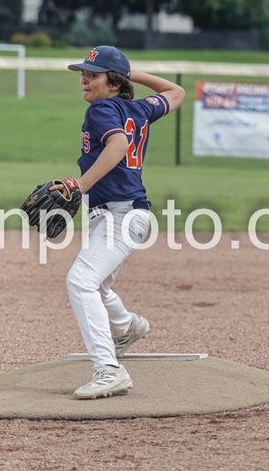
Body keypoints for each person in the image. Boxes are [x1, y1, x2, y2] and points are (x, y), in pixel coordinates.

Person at [58, 46, 185, 399]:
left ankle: (109, 369)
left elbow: (117, 145)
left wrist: (80, 185)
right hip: (124, 215)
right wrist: (132, 75)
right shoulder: (139, 108)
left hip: (120, 214)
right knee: (95, 285)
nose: (84, 79)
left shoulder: (102, 108)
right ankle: (127, 326)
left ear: (112, 83)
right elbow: (176, 93)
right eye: (83, 73)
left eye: (92, 74)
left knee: (80, 281)